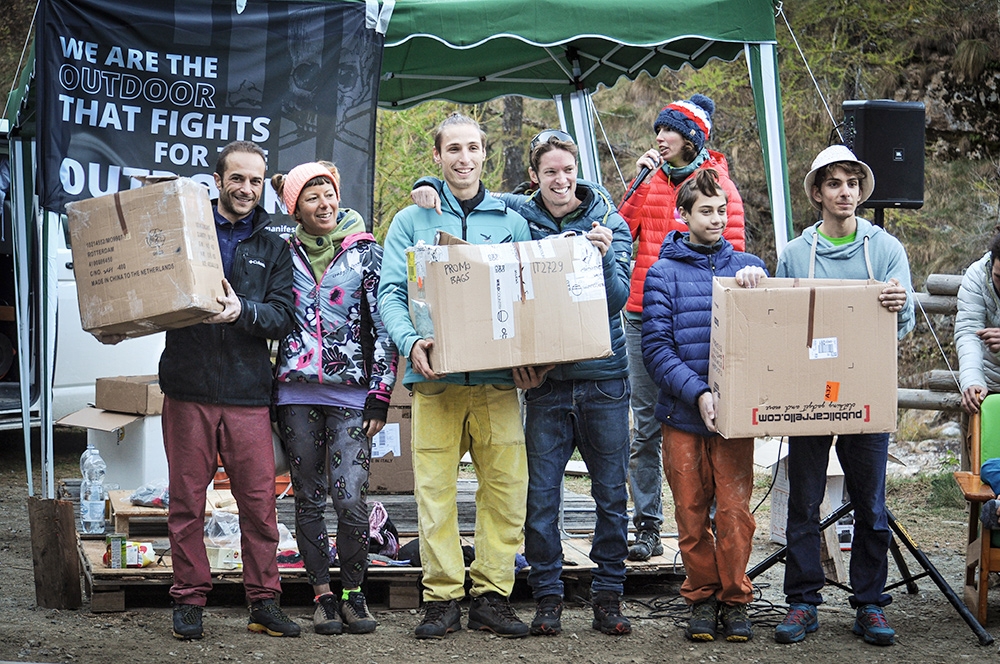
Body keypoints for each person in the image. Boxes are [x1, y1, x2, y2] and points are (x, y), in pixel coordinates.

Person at [411, 129, 635, 636]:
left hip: (603, 380)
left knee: (608, 496)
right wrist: (427, 183)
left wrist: (598, 258)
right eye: (550, 171)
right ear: (535, 176)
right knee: (539, 498)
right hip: (547, 381)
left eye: (568, 169)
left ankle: (608, 598)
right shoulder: (521, 214)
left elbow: (616, 302)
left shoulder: (609, 221)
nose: (560, 179)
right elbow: (467, 188)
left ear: (579, 171)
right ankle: (548, 599)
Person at [378, 113, 540, 640]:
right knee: (434, 492)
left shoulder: (511, 221)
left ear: (485, 153)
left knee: (506, 490)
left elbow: (527, 297)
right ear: (437, 156)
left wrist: (529, 355)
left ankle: (493, 595)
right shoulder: (410, 220)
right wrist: (410, 342)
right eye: (453, 149)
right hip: (436, 381)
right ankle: (442, 597)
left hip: (496, 383)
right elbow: (390, 296)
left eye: (473, 147)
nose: (463, 158)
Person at [773, 144, 914, 647]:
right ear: (817, 192)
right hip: (809, 393)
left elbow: (905, 324)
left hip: (867, 391)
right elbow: (780, 326)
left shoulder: (885, 249)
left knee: (870, 503)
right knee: (805, 500)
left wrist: (897, 305)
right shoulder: (794, 252)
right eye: (834, 183)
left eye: (852, 183)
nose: (845, 192)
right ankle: (802, 602)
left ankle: (870, 603)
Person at [157, 141, 299, 639]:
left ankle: (264, 601)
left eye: (255, 181)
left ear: (263, 186)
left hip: (246, 394)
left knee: (259, 505)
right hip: (187, 387)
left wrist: (244, 313)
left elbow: (283, 315)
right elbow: (154, 291)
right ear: (217, 181)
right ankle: (189, 600)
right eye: (236, 178)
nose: (245, 189)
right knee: (186, 502)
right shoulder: (186, 232)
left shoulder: (273, 244)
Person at [270, 161, 398, 635]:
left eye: (329, 195)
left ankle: (353, 593)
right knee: (308, 496)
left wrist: (380, 394)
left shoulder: (366, 254)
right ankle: (322, 596)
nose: (325, 205)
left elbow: (384, 325)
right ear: (295, 208)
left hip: (351, 395)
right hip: (294, 394)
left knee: (349, 497)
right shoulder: (283, 255)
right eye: (312, 198)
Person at [618, 93, 746, 561]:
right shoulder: (651, 179)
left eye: (668, 130)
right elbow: (618, 229)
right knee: (645, 427)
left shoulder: (718, 191)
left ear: (691, 137)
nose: (659, 137)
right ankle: (647, 526)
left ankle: (711, 525)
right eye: (657, 129)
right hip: (640, 313)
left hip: (699, 319)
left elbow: (731, 261)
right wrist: (639, 178)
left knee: (707, 420)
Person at [641, 168, 766, 642]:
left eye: (722, 211)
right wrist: (698, 392)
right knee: (691, 513)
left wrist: (761, 284)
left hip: (734, 420)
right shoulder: (662, 273)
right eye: (706, 211)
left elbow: (770, 335)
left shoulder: (748, 267)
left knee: (735, 514)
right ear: (683, 215)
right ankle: (700, 596)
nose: (716, 219)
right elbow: (656, 349)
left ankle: (735, 600)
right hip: (683, 415)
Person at [956, 232, 1000, 416]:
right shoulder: (976, 275)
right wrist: (972, 382)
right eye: (999, 277)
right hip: (987, 385)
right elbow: (968, 332)